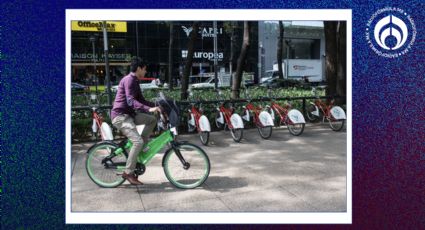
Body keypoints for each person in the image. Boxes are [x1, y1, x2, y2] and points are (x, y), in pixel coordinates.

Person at [111, 57, 161, 185]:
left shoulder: (135, 81)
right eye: (144, 69)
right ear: (139, 68)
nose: (145, 72)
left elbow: (142, 101)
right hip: (120, 117)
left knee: (151, 120)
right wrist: (148, 109)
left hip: (130, 115)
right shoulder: (129, 80)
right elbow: (130, 101)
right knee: (137, 141)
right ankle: (128, 173)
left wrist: (156, 105)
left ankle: (142, 145)